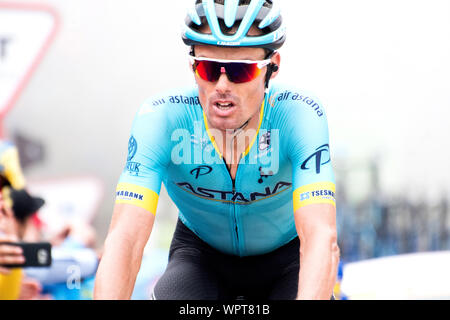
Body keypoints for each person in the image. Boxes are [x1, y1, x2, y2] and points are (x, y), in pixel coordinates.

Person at [94, 0, 339, 300]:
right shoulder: (161, 119)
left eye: (240, 72)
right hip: (201, 257)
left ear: (271, 69)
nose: (222, 85)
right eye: (209, 69)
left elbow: (319, 237)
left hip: (287, 261)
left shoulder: (299, 115)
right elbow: (126, 239)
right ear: (192, 65)